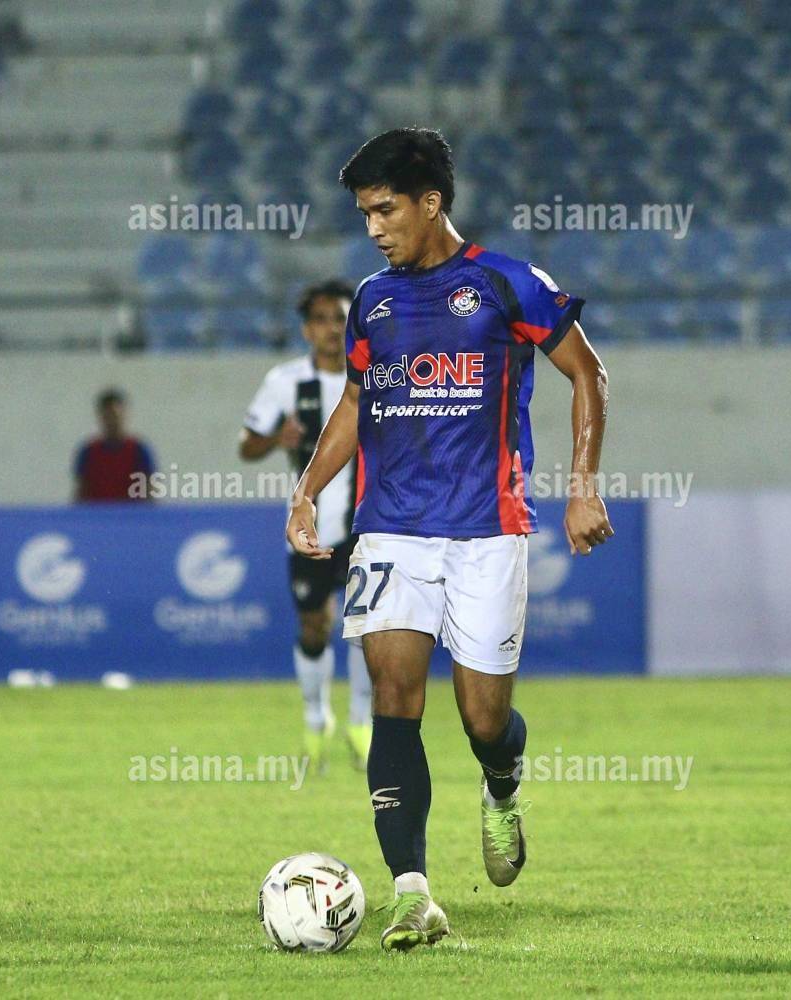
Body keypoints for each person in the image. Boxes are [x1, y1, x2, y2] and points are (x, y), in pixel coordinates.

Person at [285, 128, 613, 951]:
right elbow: (356, 402)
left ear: (431, 203)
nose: (374, 229)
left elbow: (587, 372)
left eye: (385, 210)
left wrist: (582, 485)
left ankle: (501, 784)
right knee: (393, 697)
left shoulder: (506, 283)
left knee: (482, 719)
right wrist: (307, 490)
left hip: (487, 532)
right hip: (391, 529)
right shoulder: (373, 300)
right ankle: (413, 894)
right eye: (364, 214)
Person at [240, 279, 371, 771]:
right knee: (314, 625)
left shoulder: (378, 373)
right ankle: (317, 716)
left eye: (340, 318)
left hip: (370, 524)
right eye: (321, 320)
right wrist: (278, 438)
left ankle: (362, 723)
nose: (332, 329)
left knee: (366, 628)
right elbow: (246, 445)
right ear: (305, 329)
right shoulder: (285, 381)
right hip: (309, 526)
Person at [74, 388, 155, 502]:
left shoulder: (139, 451)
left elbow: (149, 495)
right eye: (108, 416)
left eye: (115, 415)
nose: (112, 421)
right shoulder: (88, 452)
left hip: (131, 512)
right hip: (98, 512)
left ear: (124, 415)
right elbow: (80, 493)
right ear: (101, 417)